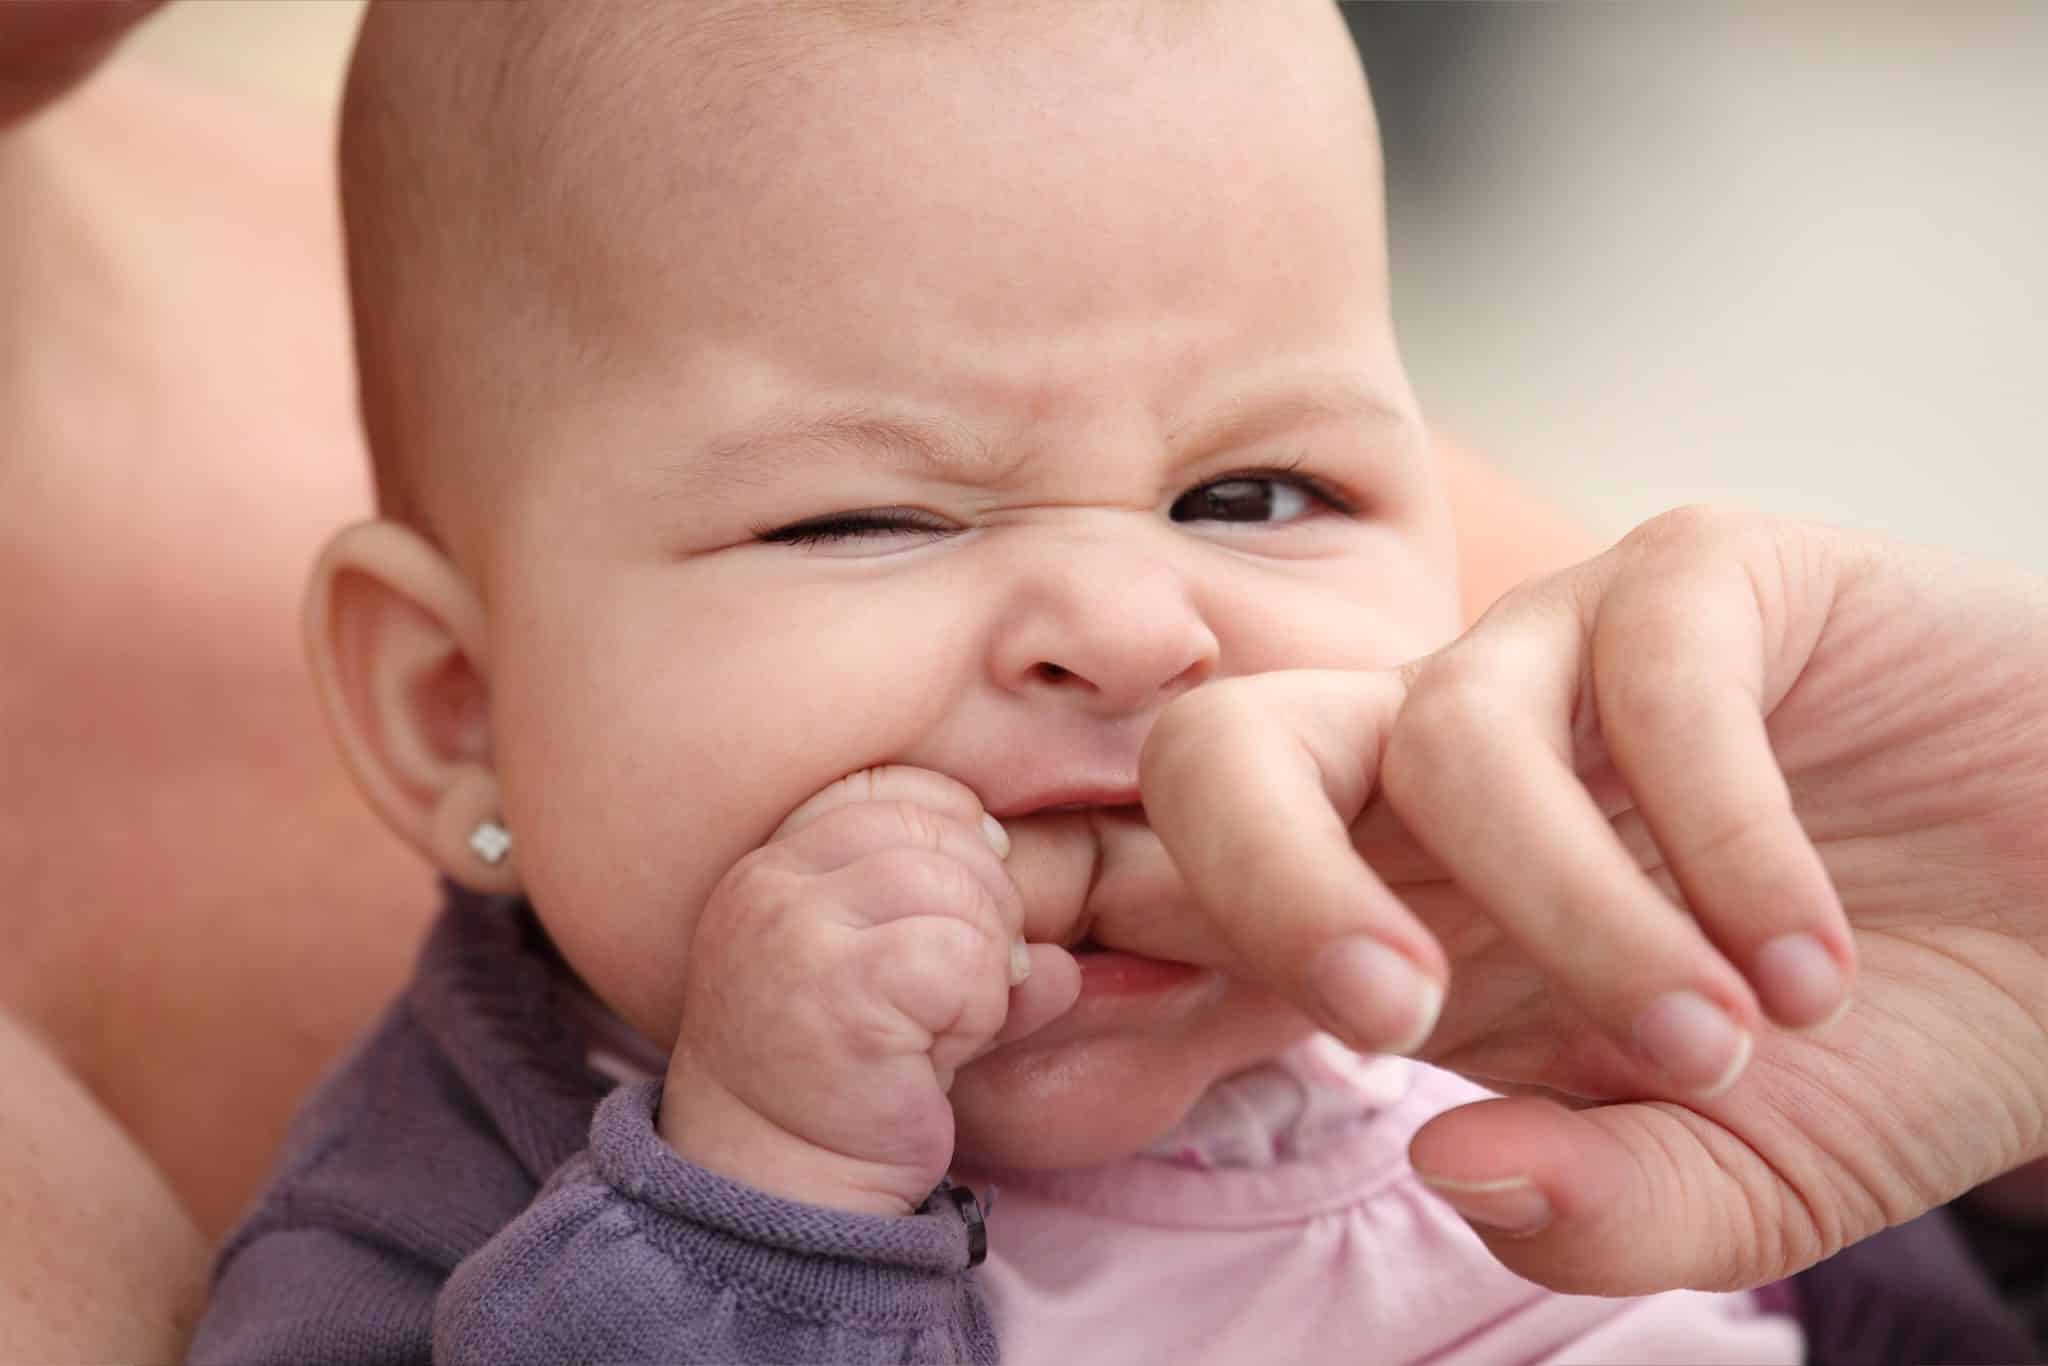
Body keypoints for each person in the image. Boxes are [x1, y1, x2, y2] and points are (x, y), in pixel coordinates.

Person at [183, 1, 2048, 1362]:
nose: (1137, 624)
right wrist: (772, 1205)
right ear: (458, 706)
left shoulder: (1546, 1010)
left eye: (1257, 492)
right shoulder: (432, 1226)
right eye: (863, 516)